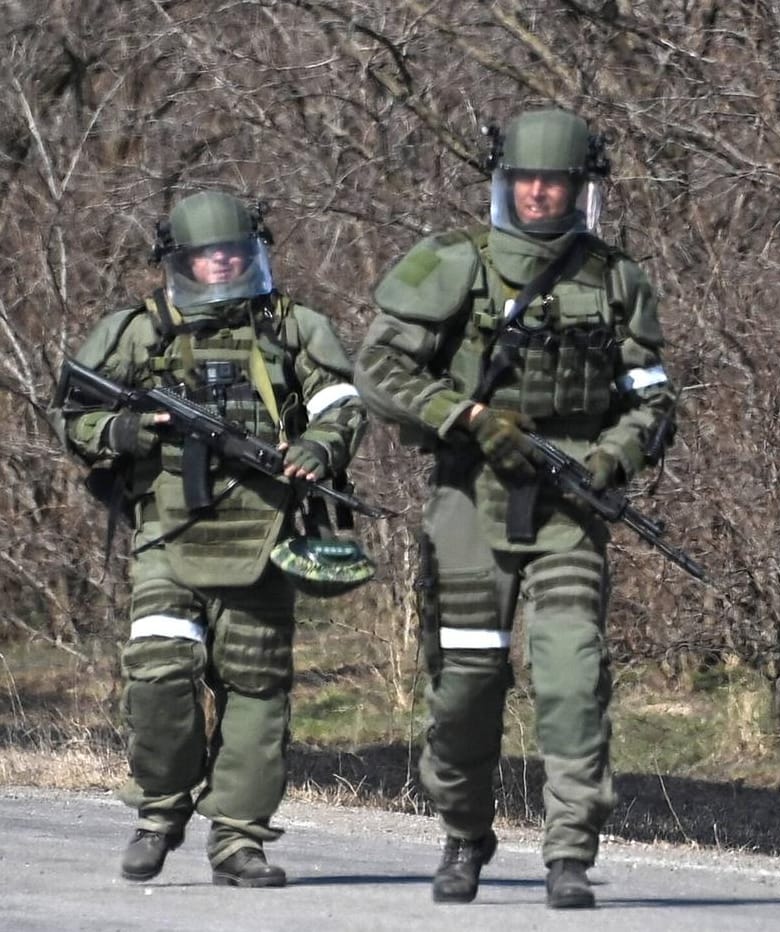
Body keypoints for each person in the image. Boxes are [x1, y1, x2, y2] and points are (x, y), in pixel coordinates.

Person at [354, 107, 676, 909]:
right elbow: (379, 370)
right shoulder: (451, 262)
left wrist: (610, 456)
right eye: (526, 179)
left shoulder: (613, 278)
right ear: (503, 182)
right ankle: (464, 834)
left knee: (571, 676)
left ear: (580, 187)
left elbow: (653, 399)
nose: (539, 193)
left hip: (568, 505)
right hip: (471, 501)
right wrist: (464, 417)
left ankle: (569, 850)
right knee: (465, 684)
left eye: (556, 180)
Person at [50, 191, 369, 887]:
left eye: (235, 251)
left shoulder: (293, 327)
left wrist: (319, 448)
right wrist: (123, 432)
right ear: (181, 260)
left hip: (264, 529)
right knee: (159, 670)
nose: (222, 263)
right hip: (168, 529)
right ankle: (161, 811)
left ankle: (238, 841)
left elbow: (340, 401)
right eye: (207, 254)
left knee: (256, 688)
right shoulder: (139, 332)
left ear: (255, 253)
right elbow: (73, 413)